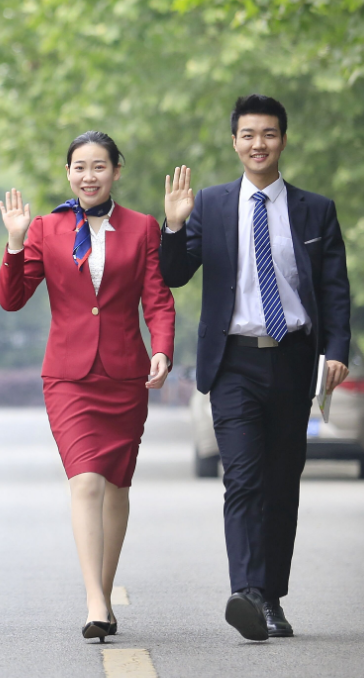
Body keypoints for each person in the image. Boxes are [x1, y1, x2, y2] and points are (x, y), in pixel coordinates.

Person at [160, 95, 351, 641]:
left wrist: (336, 348)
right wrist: (173, 228)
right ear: (235, 142)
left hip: (293, 359)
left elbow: (335, 291)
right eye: (248, 135)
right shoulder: (213, 205)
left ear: (283, 141)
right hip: (234, 363)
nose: (258, 144)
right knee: (242, 477)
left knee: (281, 483)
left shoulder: (315, 210)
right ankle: (246, 591)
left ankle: (271, 597)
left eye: (268, 134)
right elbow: (174, 274)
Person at [0, 131, 175, 643]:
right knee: (87, 481)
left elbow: (157, 298)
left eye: (99, 166)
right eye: (79, 167)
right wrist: (13, 242)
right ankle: (95, 601)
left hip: (124, 374)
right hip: (69, 377)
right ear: (68, 173)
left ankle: (105, 585)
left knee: (117, 486)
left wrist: (161, 346)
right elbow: (13, 299)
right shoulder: (45, 229)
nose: (88, 176)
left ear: (116, 171)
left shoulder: (142, 227)